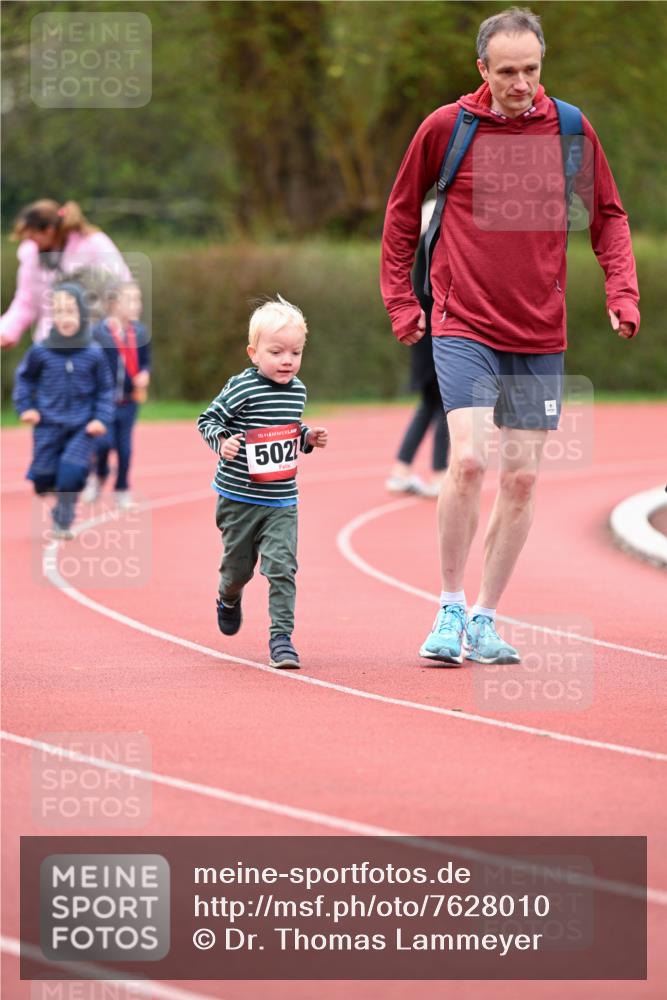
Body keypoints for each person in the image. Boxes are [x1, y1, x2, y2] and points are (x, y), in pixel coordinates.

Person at [381, 6, 639, 665]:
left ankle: (485, 618)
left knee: (520, 480)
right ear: (481, 70)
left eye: (530, 70)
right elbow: (400, 216)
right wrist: (402, 301)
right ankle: (445, 607)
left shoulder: (570, 130)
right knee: (467, 460)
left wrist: (620, 290)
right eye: (506, 72)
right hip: (462, 321)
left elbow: (606, 217)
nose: (520, 84)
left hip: (537, 330)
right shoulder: (448, 128)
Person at [197, 297, 328, 669]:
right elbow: (207, 420)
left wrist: (307, 438)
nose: (287, 361)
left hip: (282, 500)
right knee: (239, 570)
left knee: (282, 568)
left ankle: (281, 639)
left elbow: (286, 431)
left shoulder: (298, 390)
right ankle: (228, 596)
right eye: (277, 352)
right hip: (239, 498)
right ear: (254, 353)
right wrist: (223, 442)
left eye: (296, 352)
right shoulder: (243, 388)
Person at [12, 283, 114, 539]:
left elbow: (105, 389)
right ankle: (45, 478)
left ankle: (62, 521)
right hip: (47, 424)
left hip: (83, 426)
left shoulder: (94, 353)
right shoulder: (41, 351)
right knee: (43, 479)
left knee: (71, 473)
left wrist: (100, 418)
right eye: (58, 311)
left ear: (81, 314)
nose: (65, 317)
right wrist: (26, 408)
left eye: (70, 311)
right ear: (52, 316)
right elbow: (25, 379)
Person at [0, 199, 131, 348]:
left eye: (33, 236)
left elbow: (121, 287)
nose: (30, 242)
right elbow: (26, 302)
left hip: (97, 341)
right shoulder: (31, 255)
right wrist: (6, 331)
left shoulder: (94, 244)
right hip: (50, 343)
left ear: (49, 231)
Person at [386, 200, 450, 498]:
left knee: (429, 407)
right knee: (448, 408)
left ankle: (401, 470)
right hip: (437, 338)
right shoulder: (433, 247)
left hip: (426, 340)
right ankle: (439, 475)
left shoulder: (422, 250)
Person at [84, 281, 151, 509]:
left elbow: (145, 363)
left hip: (129, 402)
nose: (137, 306)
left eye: (138, 300)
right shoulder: (98, 332)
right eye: (131, 300)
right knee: (103, 444)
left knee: (125, 449)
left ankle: (122, 488)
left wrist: (144, 374)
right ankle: (99, 473)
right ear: (114, 303)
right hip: (104, 403)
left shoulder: (140, 332)